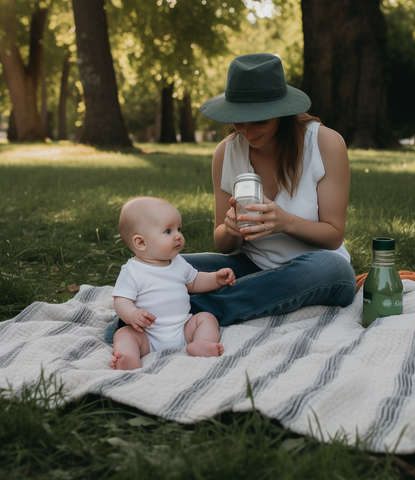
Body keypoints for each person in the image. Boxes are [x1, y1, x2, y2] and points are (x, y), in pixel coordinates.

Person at [182, 53, 356, 325]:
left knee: (334, 269)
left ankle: (188, 309)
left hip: (317, 268)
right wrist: (231, 229)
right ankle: (156, 302)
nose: (248, 133)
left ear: (282, 111)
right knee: (172, 265)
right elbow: (223, 245)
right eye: (239, 120)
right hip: (251, 266)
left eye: (259, 120)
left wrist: (284, 222)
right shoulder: (225, 152)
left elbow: (333, 236)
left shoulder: (325, 143)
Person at [110, 196, 236, 370]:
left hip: (183, 330)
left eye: (179, 229)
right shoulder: (133, 271)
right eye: (168, 231)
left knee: (206, 318)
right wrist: (132, 314)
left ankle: (201, 342)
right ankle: (130, 357)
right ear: (141, 242)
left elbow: (194, 281)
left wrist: (215, 279)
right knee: (124, 334)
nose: (178, 236)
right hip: (148, 336)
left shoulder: (178, 262)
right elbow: (121, 300)